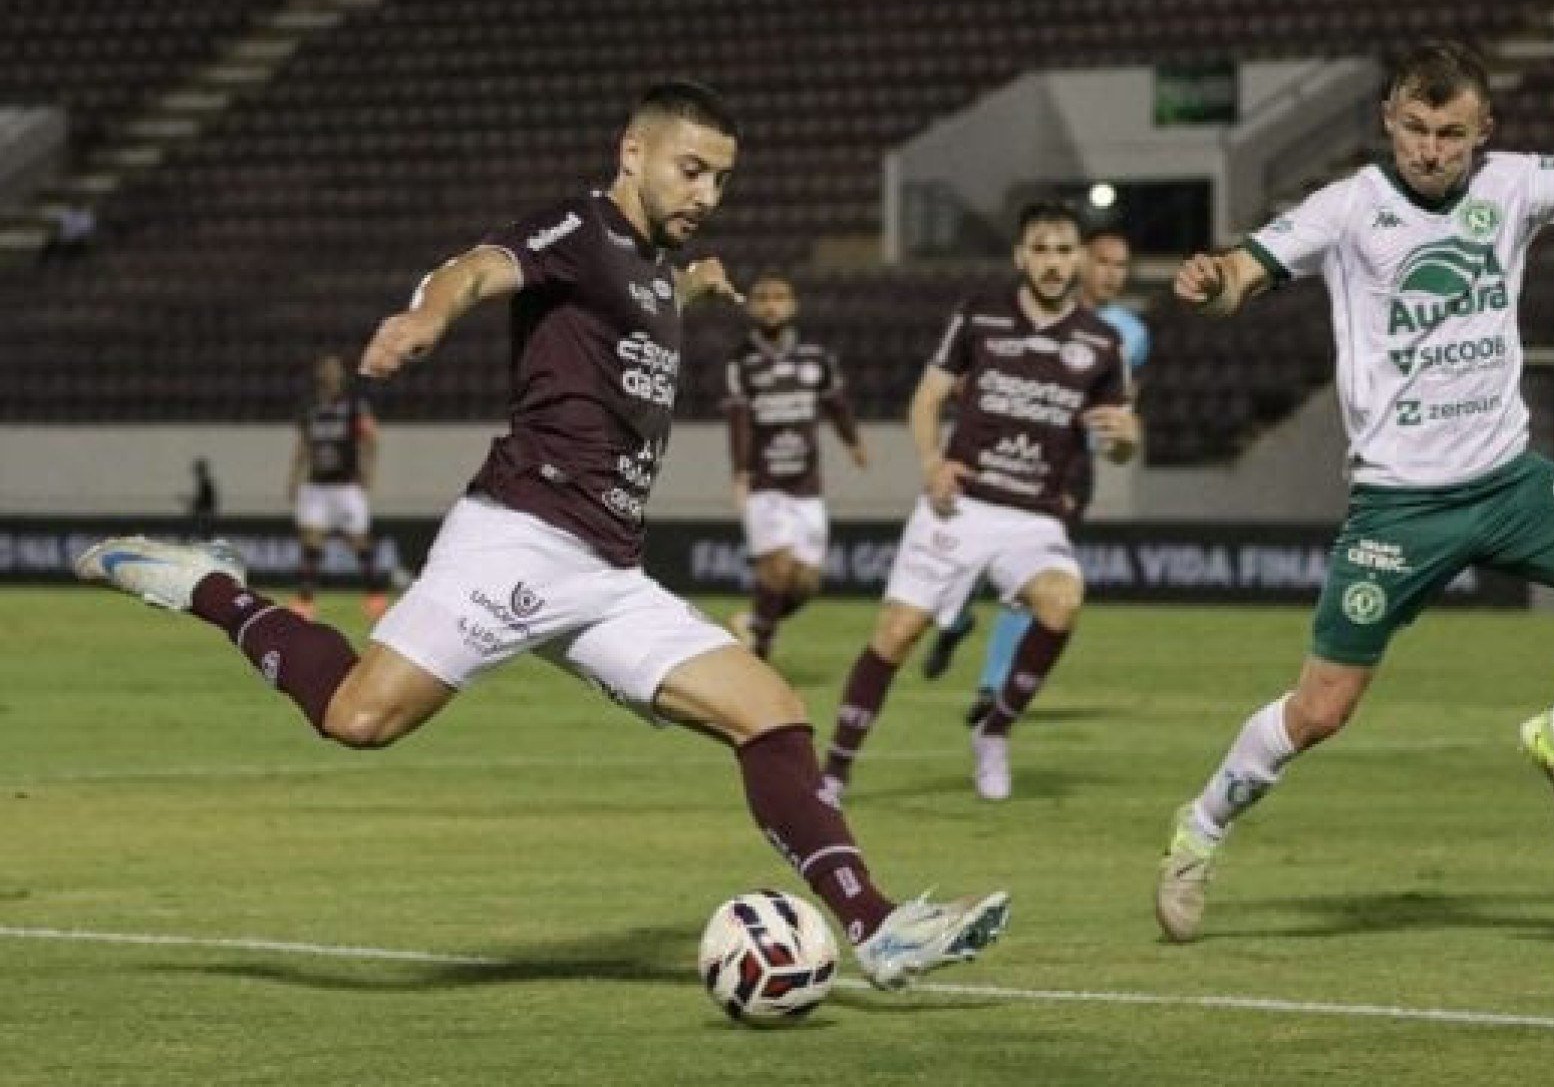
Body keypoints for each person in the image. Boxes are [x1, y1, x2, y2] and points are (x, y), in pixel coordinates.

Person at [74, 80, 1007, 989]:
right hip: (518, 535)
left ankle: (878, 928)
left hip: (608, 571)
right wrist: (428, 315)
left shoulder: (645, 268)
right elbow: (477, 266)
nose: (707, 194)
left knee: (770, 712)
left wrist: (690, 286)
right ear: (632, 153)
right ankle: (211, 587)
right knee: (358, 717)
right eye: (691, 169)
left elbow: (629, 304)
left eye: (721, 179)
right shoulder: (583, 228)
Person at [1155, 42, 1554, 942]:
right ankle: (1199, 829)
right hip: (1398, 507)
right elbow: (1242, 276)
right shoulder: (1347, 208)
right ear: (1389, 122)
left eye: (1451, 132)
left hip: (1508, 480)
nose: (1431, 149)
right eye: (1415, 128)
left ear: (1483, 131)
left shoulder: (1518, 184)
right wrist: (1212, 285)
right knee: (1322, 710)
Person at [820, 201, 1140, 804]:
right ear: (1021, 256)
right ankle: (834, 772)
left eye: (1064, 250)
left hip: (1034, 517)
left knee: (1063, 600)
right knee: (896, 633)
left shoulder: (1102, 344)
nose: (1052, 262)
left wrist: (1128, 441)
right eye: (1041, 249)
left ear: (1079, 260)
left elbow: (1122, 439)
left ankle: (994, 732)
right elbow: (926, 399)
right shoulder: (979, 316)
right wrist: (931, 463)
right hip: (962, 506)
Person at [921, 229, 1150, 726]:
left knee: (1031, 575)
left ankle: (992, 686)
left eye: (1123, 265)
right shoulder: (1017, 313)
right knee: (968, 563)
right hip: (997, 458)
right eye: (1104, 262)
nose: (1113, 274)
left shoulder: (1126, 333)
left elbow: (1121, 405)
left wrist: (1122, 434)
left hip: (1066, 469)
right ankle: (956, 622)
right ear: (1079, 261)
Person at [723, 274, 868, 660]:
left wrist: (853, 441)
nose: (771, 305)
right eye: (763, 298)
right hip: (765, 482)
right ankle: (761, 654)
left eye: (779, 297)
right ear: (752, 307)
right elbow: (738, 421)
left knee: (806, 582)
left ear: (793, 306)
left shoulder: (816, 358)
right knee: (778, 568)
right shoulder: (742, 361)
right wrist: (740, 474)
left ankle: (754, 625)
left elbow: (836, 404)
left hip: (808, 485)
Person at [288, 354, 387, 621]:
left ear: (341, 375)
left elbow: (371, 438)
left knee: (359, 541)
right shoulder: (309, 407)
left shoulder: (355, 405)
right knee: (311, 540)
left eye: (334, 369)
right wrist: (294, 479)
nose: (329, 373)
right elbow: (303, 446)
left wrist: (368, 471)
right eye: (325, 368)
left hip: (346, 485)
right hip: (316, 485)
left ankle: (375, 595)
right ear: (319, 373)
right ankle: (305, 601)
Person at [186, 458, 219, 540]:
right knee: (203, 530)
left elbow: (205, 500)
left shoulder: (205, 483)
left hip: (205, 512)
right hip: (205, 512)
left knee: (203, 530)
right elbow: (205, 499)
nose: (196, 473)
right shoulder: (205, 483)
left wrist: (194, 505)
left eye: (197, 470)